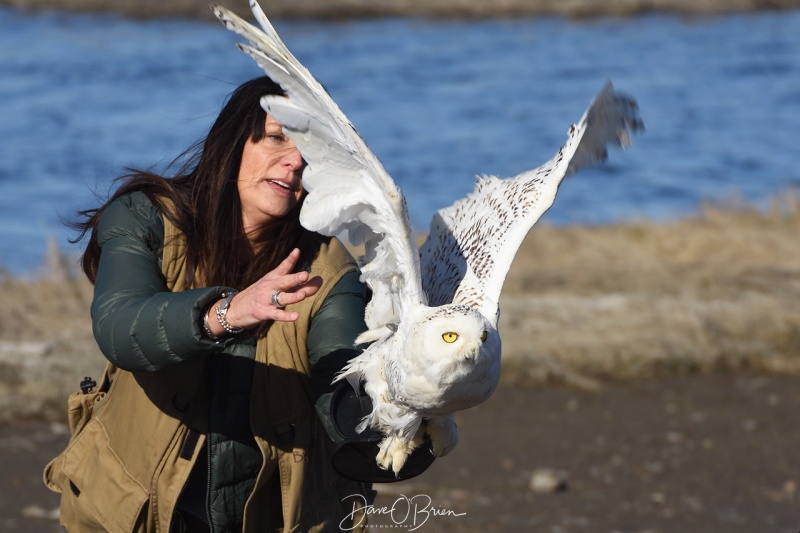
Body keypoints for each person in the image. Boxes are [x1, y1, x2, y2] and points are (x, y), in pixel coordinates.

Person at [43, 76, 375, 532]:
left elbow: (340, 374)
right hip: (128, 511)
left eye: (311, 151)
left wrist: (396, 420)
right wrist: (227, 313)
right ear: (233, 140)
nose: (295, 161)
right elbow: (120, 328)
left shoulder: (328, 267)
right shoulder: (148, 218)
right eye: (277, 137)